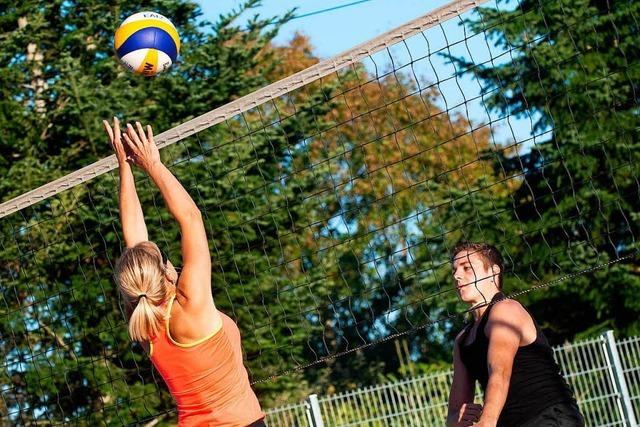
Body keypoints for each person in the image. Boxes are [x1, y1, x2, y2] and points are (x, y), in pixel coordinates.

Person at [103, 118, 266, 427]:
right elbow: (191, 217)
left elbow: (135, 241)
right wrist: (152, 164)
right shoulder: (191, 303)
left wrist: (124, 165)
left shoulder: (145, 320)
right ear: (165, 273)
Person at [446, 242, 584, 427]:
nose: (457, 276)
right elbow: (453, 414)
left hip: (549, 417)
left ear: (493, 272)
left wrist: (486, 422)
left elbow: (500, 372)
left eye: (467, 268)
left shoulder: (506, 310)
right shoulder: (462, 340)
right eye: (455, 270)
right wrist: (456, 419)